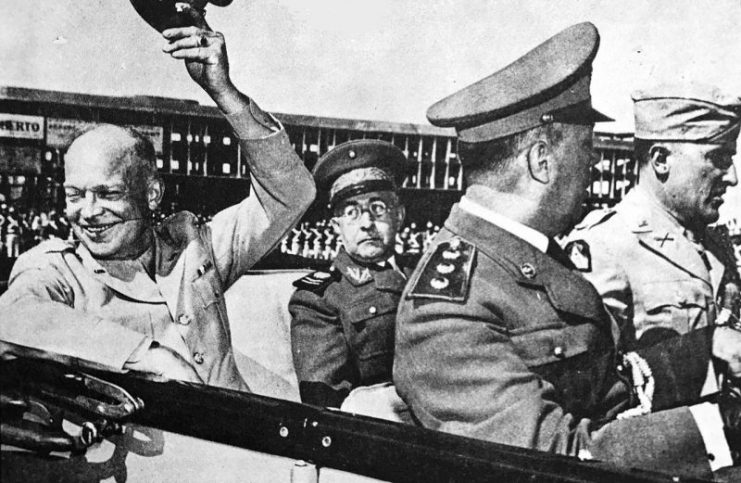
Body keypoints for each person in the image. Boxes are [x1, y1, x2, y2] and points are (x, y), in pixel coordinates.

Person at [393, 22, 741, 479]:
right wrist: (727, 429)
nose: (595, 165)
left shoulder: (527, 260)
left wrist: (709, 348)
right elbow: (557, 458)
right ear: (541, 161)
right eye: (587, 149)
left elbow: (604, 383)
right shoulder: (444, 309)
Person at [0, 6, 315, 391]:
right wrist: (146, 355)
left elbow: (292, 193)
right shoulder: (57, 271)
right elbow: (13, 316)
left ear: (151, 195)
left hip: (239, 440)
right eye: (74, 195)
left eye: (107, 194)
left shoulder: (196, 250)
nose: (88, 212)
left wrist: (223, 91)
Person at [565, 83, 740, 350]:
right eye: (718, 158)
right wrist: (706, 352)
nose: (732, 177)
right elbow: (588, 378)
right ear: (661, 160)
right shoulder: (606, 246)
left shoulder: (714, 245)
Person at [289, 140, 416, 408]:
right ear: (337, 226)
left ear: (400, 215)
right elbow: (325, 405)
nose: (367, 223)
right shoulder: (319, 298)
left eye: (378, 208)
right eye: (352, 212)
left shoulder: (422, 273)